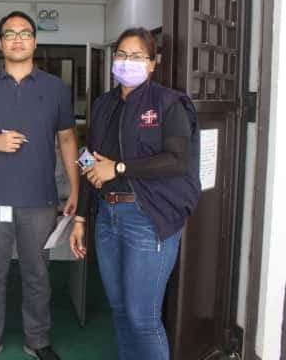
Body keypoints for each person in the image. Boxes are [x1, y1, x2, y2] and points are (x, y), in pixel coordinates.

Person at [0, 11, 83, 360]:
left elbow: (67, 139)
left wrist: (76, 189)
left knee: (37, 273)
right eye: (10, 34)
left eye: (25, 33)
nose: (18, 39)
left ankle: (38, 340)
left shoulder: (55, 89)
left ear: (35, 41)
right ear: (0, 43)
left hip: (39, 199)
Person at [76, 27, 201, 360]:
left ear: (152, 63)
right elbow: (89, 157)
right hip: (107, 217)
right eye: (121, 55)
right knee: (119, 309)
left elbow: (177, 160)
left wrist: (118, 168)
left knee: (142, 317)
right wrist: (80, 217)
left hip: (147, 218)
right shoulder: (104, 104)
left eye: (136, 56)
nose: (126, 62)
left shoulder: (168, 103)